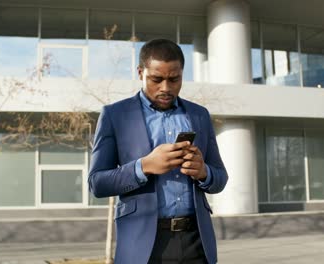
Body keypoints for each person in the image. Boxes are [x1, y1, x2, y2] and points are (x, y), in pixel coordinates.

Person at [88, 38, 228, 264]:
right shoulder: (115, 115)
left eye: (174, 79)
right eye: (156, 79)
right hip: (143, 246)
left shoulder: (199, 115)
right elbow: (96, 183)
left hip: (196, 243)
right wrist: (143, 167)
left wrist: (203, 172)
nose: (166, 87)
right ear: (140, 72)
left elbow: (220, 178)